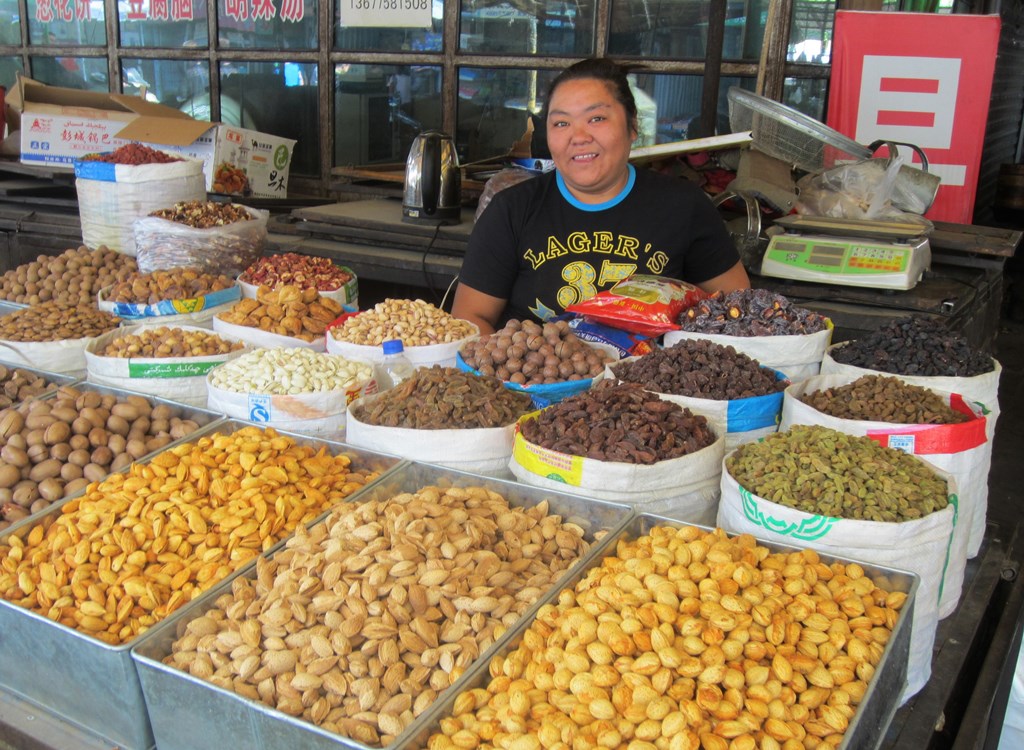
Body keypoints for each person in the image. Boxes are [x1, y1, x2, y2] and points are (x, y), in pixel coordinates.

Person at [452, 57, 750, 335]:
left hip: (651, 386)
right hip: (535, 387)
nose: (579, 137)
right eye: (561, 123)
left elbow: (739, 309)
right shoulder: (512, 210)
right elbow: (471, 321)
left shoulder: (683, 206)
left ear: (632, 126)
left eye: (596, 119)